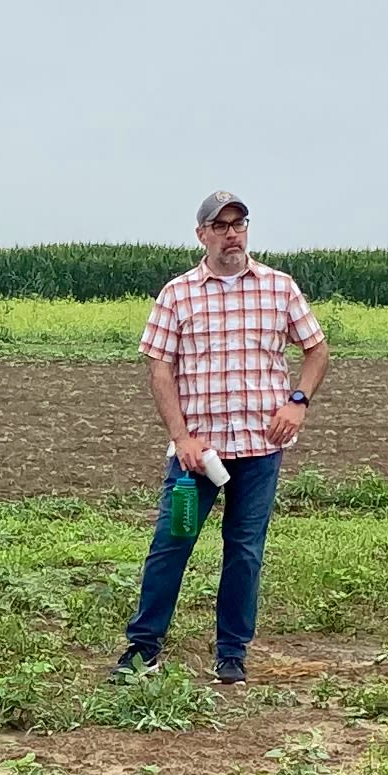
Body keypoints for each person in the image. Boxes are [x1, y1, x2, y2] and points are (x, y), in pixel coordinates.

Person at [115, 191, 330, 688]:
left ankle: (231, 653)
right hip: (199, 454)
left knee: (245, 549)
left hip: (261, 446)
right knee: (172, 542)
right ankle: (143, 646)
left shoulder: (279, 288)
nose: (231, 233)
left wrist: (297, 401)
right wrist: (180, 437)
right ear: (202, 234)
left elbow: (317, 352)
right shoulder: (178, 293)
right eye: (220, 225)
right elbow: (159, 369)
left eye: (239, 224)